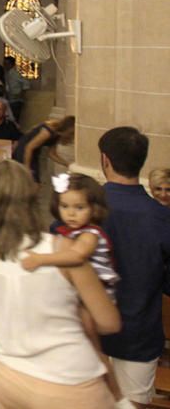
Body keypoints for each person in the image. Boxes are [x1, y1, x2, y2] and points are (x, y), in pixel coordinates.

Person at [0, 161, 122, 408]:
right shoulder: (63, 250)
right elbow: (109, 322)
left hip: (8, 377)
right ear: (32, 197)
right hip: (67, 382)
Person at [96, 127, 170, 406]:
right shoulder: (161, 216)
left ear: (105, 160)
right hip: (138, 334)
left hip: (86, 334)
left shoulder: (81, 209)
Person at [13, 115, 75, 182]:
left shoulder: (57, 135)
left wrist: (67, 164)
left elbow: (52, 153)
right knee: (31, 181)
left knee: (34, 181)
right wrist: (27, 168)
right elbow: (29, 147)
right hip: (24, 151)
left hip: (33, 152)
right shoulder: (48, 132)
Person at [3, 56, 31, 124]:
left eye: (7, 64)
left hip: (16, 100)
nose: (5, 65)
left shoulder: (15, 73)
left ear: (12, 64)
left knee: (14, 119)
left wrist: (21, 94)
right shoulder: (7, 73)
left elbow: (26, 83)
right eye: (4, 63)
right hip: (10, 99)